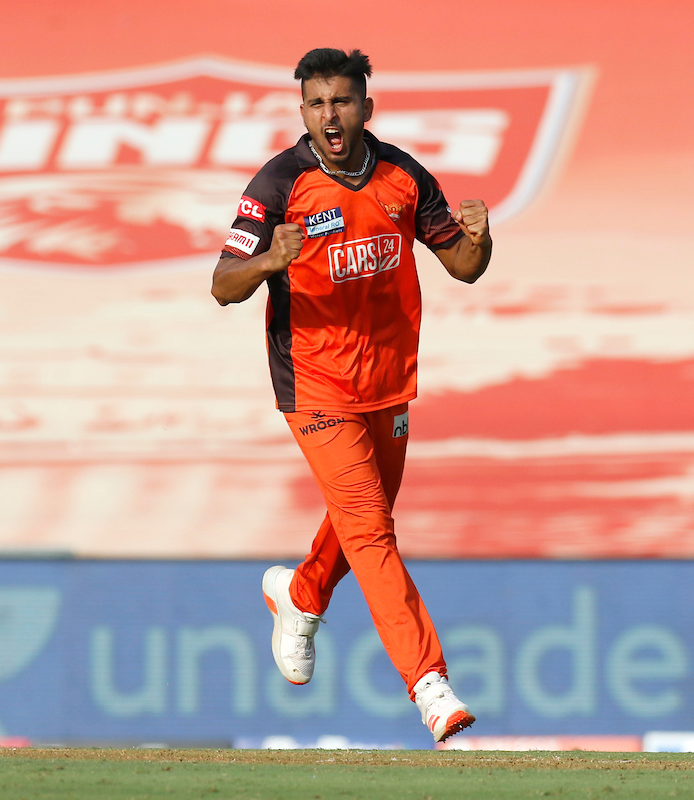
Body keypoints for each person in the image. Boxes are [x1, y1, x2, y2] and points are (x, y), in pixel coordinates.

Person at [211, 47, 492, 743]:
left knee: (362, 515)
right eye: (316, 104)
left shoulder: (402, 175)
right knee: (370, 532)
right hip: (315, 384)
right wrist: (268, 260)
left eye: (341, 102)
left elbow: (463, 266)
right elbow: (222, 285)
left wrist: (482, 239)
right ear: (302, 111)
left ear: (366, 106)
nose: (329, 117)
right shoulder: (279, 183)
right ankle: (430, 686)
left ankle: (301, 593)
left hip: (387, 381)